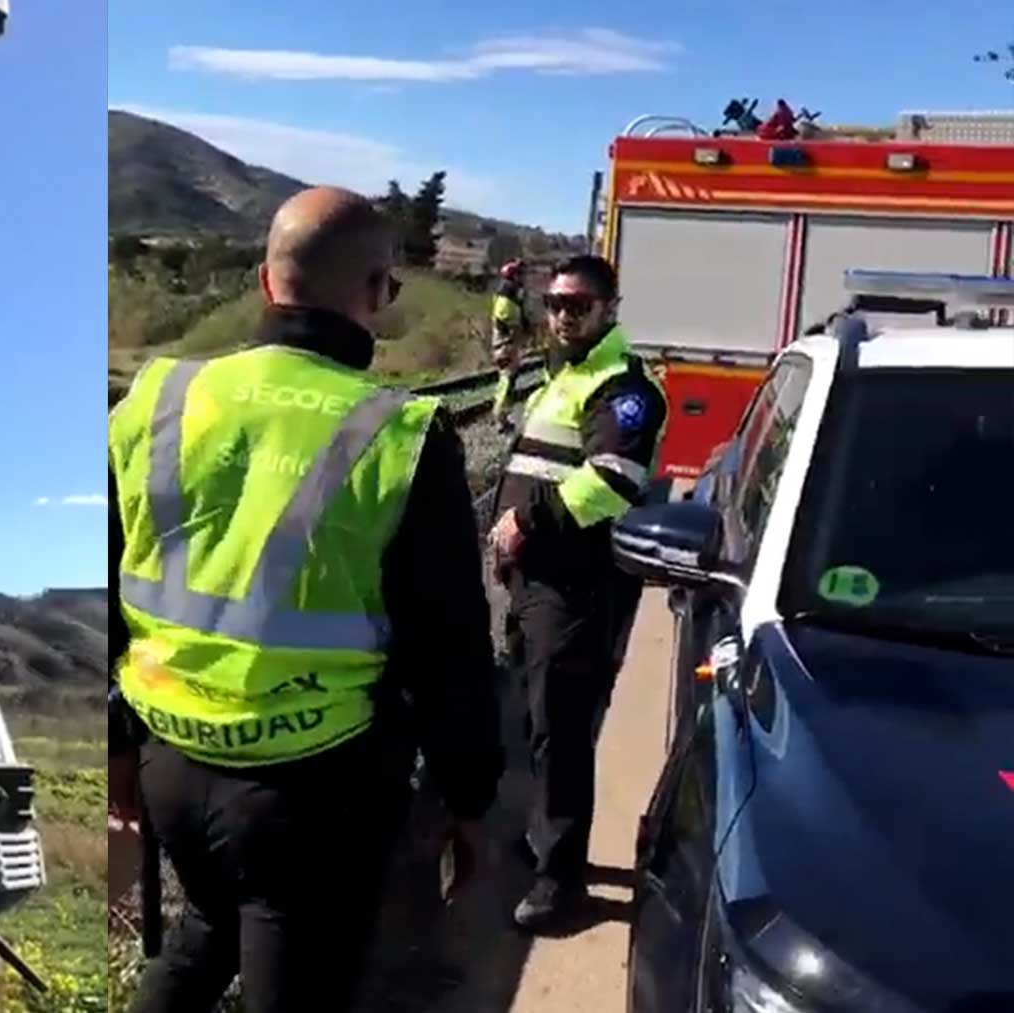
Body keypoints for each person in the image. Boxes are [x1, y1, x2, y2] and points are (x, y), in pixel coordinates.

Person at [107, 186, 504, 1013]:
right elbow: (449, 646)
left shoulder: (157, 399)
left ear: (263, 281)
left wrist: (119, 746)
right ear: (376, 293)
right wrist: (468, 801)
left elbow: (110, 588)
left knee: (207, 928)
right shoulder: (398, 434)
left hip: (172, 757)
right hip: (313, 790)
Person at [485, 254, 667, 930]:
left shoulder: (623, 387)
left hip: (577, 584)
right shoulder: (565, 375)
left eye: (580, 303)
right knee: (538, 721)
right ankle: (542, 837)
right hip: (535, 578)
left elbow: (613, 478)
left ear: (610, 309)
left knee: (561, 728)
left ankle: (561, 883)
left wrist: (523, 521)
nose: (564, 313)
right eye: (557, 302)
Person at [489, 259, 532, 432]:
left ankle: (502, 416)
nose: (523, 279)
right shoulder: (507, 302)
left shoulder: (506, 298)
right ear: (513, 277)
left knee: (507, 382)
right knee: (507, 383)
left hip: (506, 346)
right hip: (506, 347)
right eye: (520, 275)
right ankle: (500, 419)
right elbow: (515, 327)